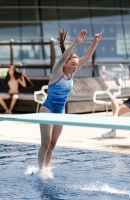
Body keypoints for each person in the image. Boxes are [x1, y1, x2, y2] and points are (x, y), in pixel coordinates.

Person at [38, 28, 102, 172]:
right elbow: (62, 58)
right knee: (46, 144)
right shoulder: (57, 72)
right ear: (65, 63)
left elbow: (86, 57)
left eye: (76, 64)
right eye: (73, 64)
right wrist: (75, 42)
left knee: (53, 144)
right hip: (47, 109)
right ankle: (40, 170)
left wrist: (95, 43)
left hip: (60, 111)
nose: (75, 67)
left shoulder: (71, 73)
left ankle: (46, 170)